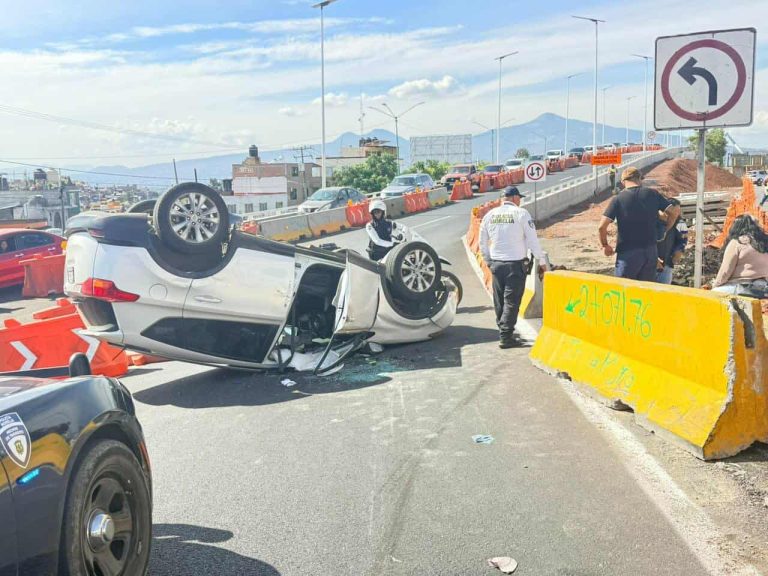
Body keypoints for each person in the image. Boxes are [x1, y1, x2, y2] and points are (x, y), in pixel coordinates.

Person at [480, 186, 548, 349]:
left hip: (496, 264)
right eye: (519, 198)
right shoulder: (521, 214)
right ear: (515, 198)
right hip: (515, 265)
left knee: (499, 300)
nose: (520, 201)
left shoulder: (490, 215)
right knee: (512, 301)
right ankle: (506, 336)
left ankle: (503, 330)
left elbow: (482, 242)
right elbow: (532, 240)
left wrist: (488, 261)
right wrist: (542, 262)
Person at [598, 166, 680, 281]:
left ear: (623, 182)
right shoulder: (653, 194)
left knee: (625, 288)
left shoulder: (618, 199)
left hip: (627, 253)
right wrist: (666, 229)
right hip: (650, 252)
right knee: (645, 288)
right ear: (640, 179)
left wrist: (605, 245)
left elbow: (602, 227)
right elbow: (674, 212)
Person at [712, 214, 768, 297]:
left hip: (742, 287)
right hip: (763, 286)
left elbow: (725, 271)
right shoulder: (765, 242)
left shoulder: (737, 242)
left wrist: (715, 284)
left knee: (712, 295)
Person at [655, 198, 687, 284]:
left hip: (667, 265)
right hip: (651, 265)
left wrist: (679, 250)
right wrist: (652, 257)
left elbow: (683, 239)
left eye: (678, 212)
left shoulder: (680, 223)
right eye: (673, 212)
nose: (676, 215)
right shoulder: (655, 220)